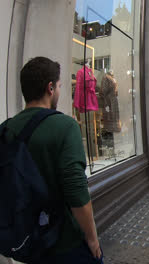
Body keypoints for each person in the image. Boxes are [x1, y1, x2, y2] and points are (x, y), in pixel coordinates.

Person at [1, 57, 102, 262]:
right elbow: (76, 192)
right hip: (63, 241)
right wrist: (92, 239)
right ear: (50, 88)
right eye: (58, 86)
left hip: (27, 239)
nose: (59, 91)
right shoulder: (65, 126)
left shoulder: (6, 129)